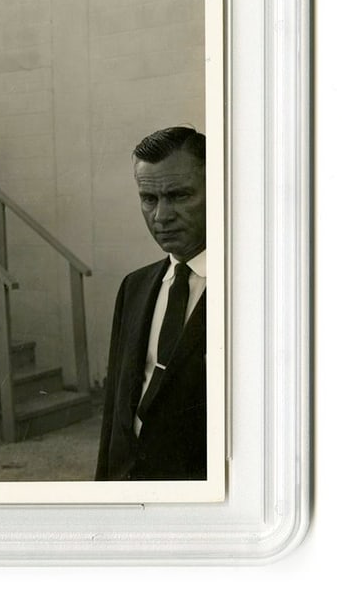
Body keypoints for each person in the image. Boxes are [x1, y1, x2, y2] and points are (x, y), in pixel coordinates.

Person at [96, 127, 208, 481]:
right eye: (149, 199)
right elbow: (115, 416)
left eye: (179, 196)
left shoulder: (252, 288)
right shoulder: (135, 286)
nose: (161, 217)